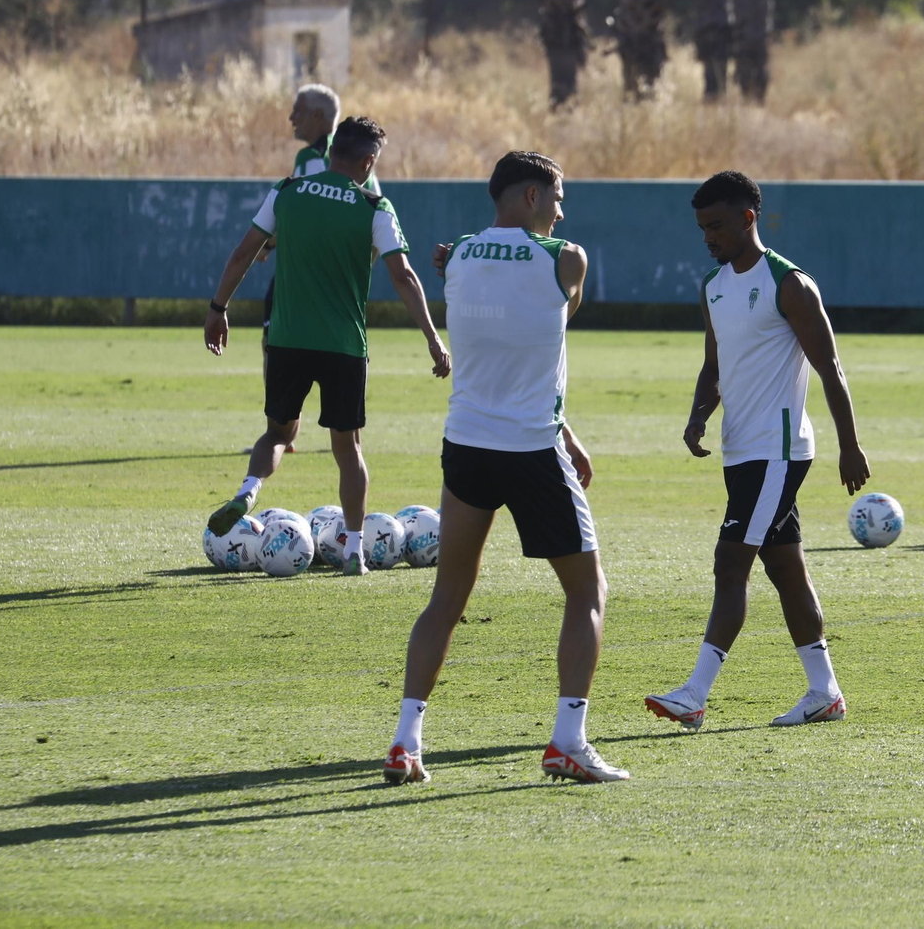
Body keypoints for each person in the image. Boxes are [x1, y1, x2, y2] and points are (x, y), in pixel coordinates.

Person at [383, 151, 627, 786]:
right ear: (527, 197)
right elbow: (555, 323)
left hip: (465, 444)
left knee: (447, 597)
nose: (561, 209)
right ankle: (568, 740)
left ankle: (406, 741)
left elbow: (507, 347)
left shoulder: (458, 254)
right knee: (588, 591)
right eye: (556, 196)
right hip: (529, 448)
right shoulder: (564, 257)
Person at [645, 170, 871, 731]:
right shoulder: (713, 286)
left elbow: (830, 368)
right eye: (701, 228)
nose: (708, 238)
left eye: (716, 225)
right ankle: (825, 693)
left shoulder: (789, 284)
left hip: (778, 450)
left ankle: (694, 694)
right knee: (785, 569)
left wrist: (851, 445)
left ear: (749, 218)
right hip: (739, 451)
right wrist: (699, 414)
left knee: (731, 563)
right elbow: (714, 366)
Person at [203, 116, 450, 579]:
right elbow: (404, 276)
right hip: (343, 347)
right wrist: (434, 339)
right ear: (369, 161)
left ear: (332, 150)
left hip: (287, 340)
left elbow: (243, 253)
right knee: (348, 448)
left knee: (278, 435)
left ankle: (249, 489)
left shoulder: (287, 192)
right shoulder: (375, 206)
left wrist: (219, 308)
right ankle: (354, 550)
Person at [254, 85, 383, 437]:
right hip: (344, 281)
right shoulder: (363, 160)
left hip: (302, 274)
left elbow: (307, 211)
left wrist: (268, 245)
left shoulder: (312, 158)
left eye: (297, 110)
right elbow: (374, 222)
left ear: (317, 116)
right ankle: (338, 432)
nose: (291, 117)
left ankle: (282, 430)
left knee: (276, 341)